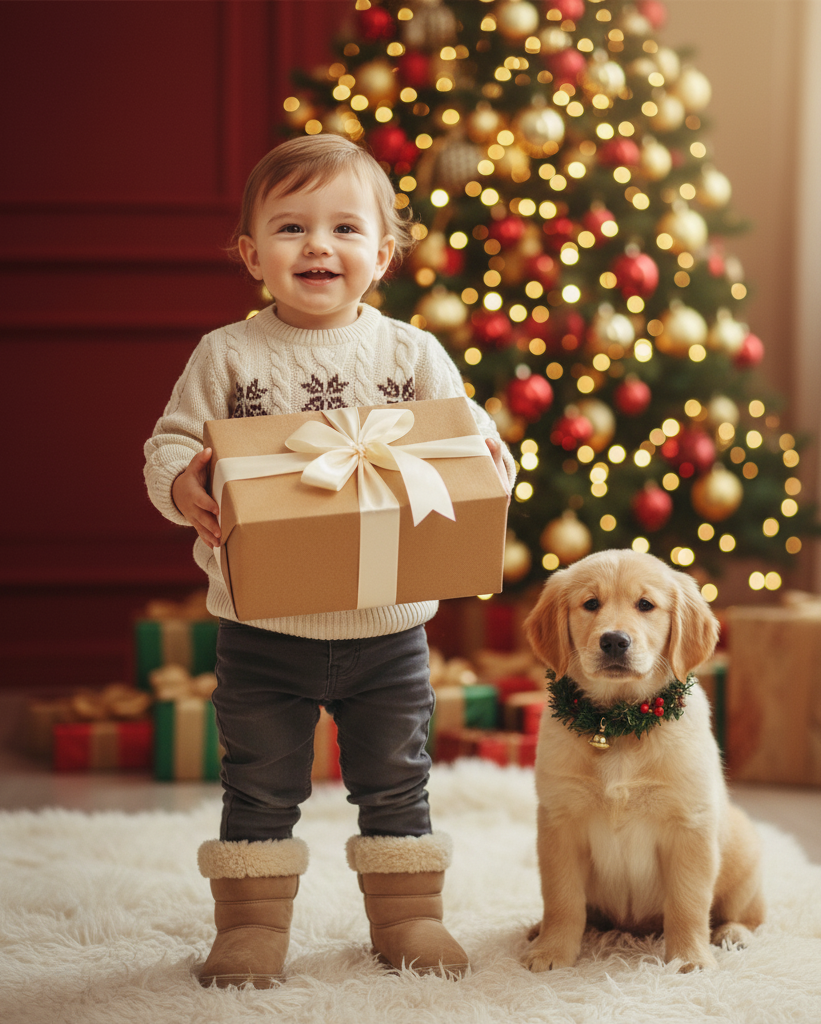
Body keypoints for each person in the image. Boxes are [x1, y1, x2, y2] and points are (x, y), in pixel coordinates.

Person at [143, 134, 514, 988]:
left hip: (389, 628)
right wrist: (184, 482)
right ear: (252, 255)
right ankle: (252, 925)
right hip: (262, 628)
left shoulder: (411, 355)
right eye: (292, 227)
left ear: (381, 255)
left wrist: (491, 458)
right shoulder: (226, 355)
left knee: (397, 779)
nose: (319, 245)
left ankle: (409, 914)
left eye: (345, 228)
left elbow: (468, 437)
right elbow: (170, 443)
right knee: (259, 782)